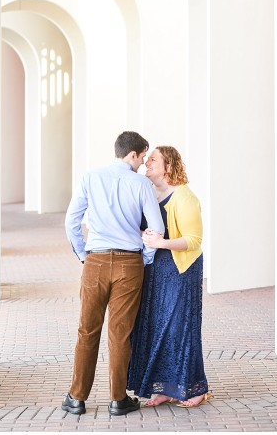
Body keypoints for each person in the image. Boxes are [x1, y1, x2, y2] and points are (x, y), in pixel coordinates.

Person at [62, 131, 165, 416]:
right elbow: (156, 228)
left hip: (95, 261)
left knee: (87, 330)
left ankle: (76, 398)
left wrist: (84, 255)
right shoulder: (141, 184)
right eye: (143, 155)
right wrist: (143, 259)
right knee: (120, 334)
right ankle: (118, 400)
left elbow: (71, 222)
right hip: (128, 264)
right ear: (132, 154)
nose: (144, 161)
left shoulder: (91, 177)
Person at [127, 146, 211, 408]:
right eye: (147, 158)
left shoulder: (184, 197)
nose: (147, 162)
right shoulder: (151, 192)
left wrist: (160, 243)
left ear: (168, 167)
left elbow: (194, 240)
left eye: (153, 159)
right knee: (158, 329)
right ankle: (167, 388)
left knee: (180, 329)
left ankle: (196, 389)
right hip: (157, 271)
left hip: (181, 270)